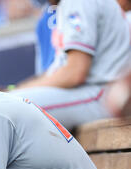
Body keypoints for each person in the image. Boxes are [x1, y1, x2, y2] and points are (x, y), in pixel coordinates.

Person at [9, 0, 130, 131]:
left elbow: (75, 73)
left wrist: (13, 92)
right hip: (90, 92)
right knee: (2, 105)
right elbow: (59, 71)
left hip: (105, 95)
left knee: (7, 109)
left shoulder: (77, 2)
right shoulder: (63, 6)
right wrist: (12, 90)